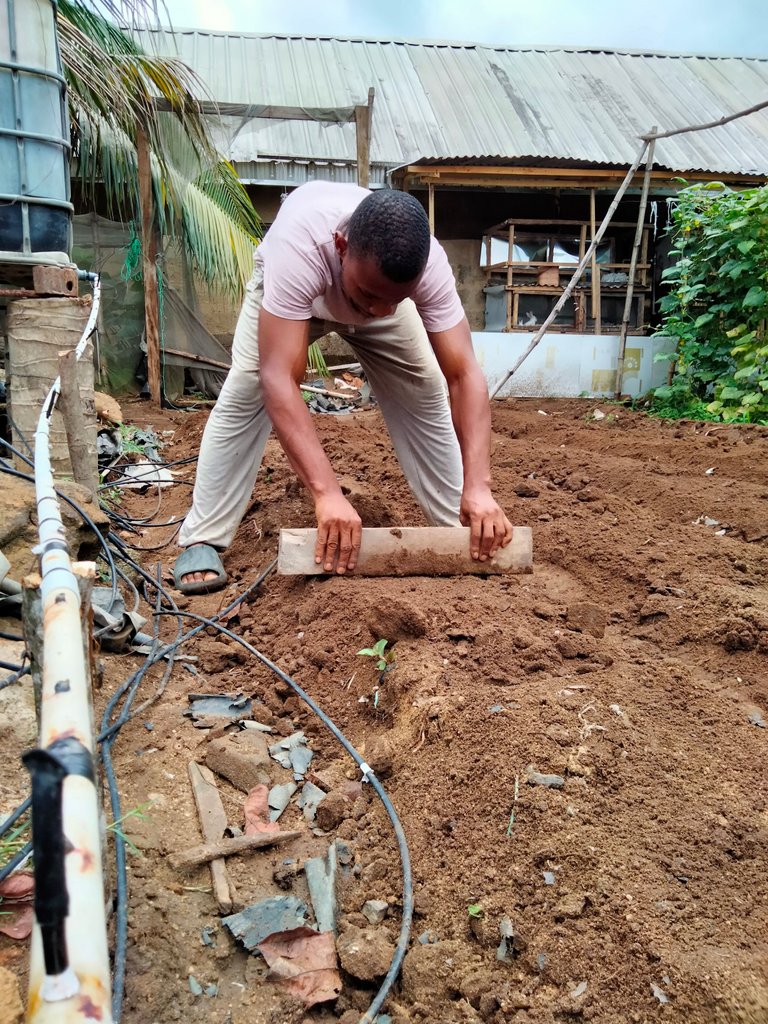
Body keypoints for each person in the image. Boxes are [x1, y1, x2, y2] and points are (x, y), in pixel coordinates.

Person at [173, 181, 512, 593]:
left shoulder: (424, 269)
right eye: (373, 296)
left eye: (397, 299)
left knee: (424, 384)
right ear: (341, 245)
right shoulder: (300, 250)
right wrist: (326, 493)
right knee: (248, 386)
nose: (380, 311)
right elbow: (279, 378)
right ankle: (203, 536)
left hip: (366, 279)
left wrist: (479, 486)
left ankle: (462, 524)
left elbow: (464, 375)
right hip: (297, 296)